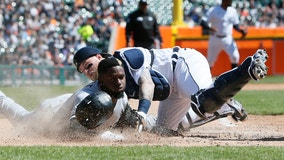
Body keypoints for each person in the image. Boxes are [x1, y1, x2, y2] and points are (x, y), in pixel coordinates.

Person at [113, 46, 268, 135]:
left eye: (89, 65)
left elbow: (148, 83)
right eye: (86, 69)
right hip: (172, 92)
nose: (88, 71)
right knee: (164, 131)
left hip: (182, 65)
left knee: (204, 102)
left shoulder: (126, 57)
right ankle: (222, 108)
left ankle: (247, 68)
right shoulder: (107, 84)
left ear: (99, 57)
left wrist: (141, 112)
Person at [0, 56, 149, 138]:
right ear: (101, 79)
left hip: (67, 103)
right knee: (21, 120)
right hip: (50, 113)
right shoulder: (85, 96)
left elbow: (132, 122)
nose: (118, 82)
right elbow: (77, 131)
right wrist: (115, 138)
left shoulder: (121, 96)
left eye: (121, 77)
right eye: (112, 78)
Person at [200, 0, 247, 69]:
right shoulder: (214, 10)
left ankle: (233, 78)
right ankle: (207, 79)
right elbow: (202, 22)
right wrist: (210, 28)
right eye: (229, 0)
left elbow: (235, 25)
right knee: (210, 61)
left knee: (235, 56)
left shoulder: (232, 10)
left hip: (227, 38)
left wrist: (241, 31)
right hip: (215, 38)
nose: (230, 2)